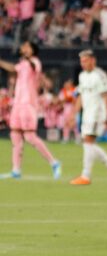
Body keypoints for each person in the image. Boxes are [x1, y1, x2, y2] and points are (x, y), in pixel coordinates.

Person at [0, 41, 61, 180]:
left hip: (28, 103)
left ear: (32, 50)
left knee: (29, 137)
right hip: (18, 103)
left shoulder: (34, 62)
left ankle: (54, 162)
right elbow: (14, 69)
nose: (23, 47)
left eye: (26, 46)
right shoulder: (22, 63)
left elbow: (26, 69)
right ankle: (16, 170)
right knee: (15, 135)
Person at [70, 50, 107, 185]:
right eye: (81, 61)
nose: (83, 64)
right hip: (86, 114)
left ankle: (86, 176)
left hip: (97, 114)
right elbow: (80, 96)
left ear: (93, 60)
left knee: (88, 142)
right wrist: (73, 114)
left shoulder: (100, 75)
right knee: (89, 144)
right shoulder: (82, 76)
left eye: (85, 60)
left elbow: (105, 96)